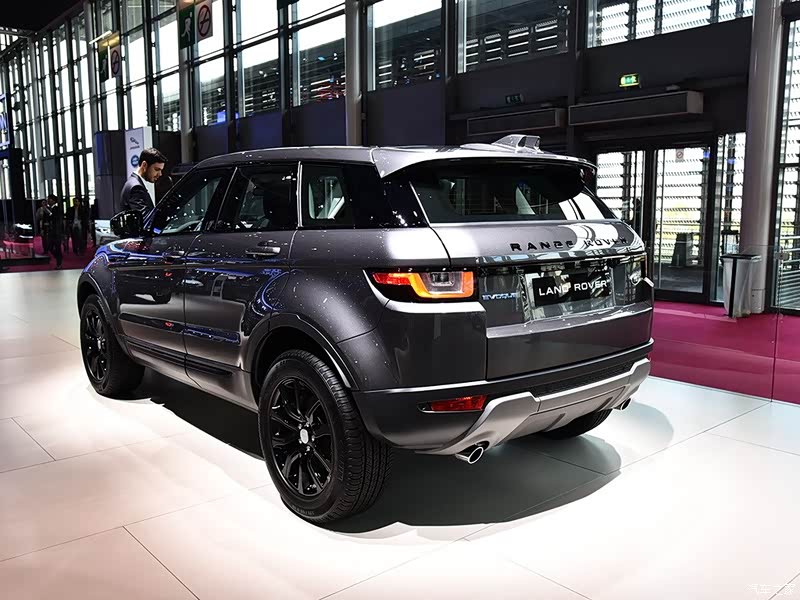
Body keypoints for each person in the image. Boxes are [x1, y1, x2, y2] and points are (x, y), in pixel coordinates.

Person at [120, 148, 167, 215]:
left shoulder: (134, 183)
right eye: (157, 169)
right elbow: (146, 218)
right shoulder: (136, 188)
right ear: (144, 165)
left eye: (161, 170)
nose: (160, 174)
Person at [46, 194, 64, 270]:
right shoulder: (47, 209)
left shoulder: (57, 209)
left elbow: (56, 218)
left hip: (56, 231)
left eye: (49, 199)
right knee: (49, 247)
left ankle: (59, 263)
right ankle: (58, 257)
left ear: (53, 201)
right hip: (50, 231)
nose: (48, 200)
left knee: (57, 247)